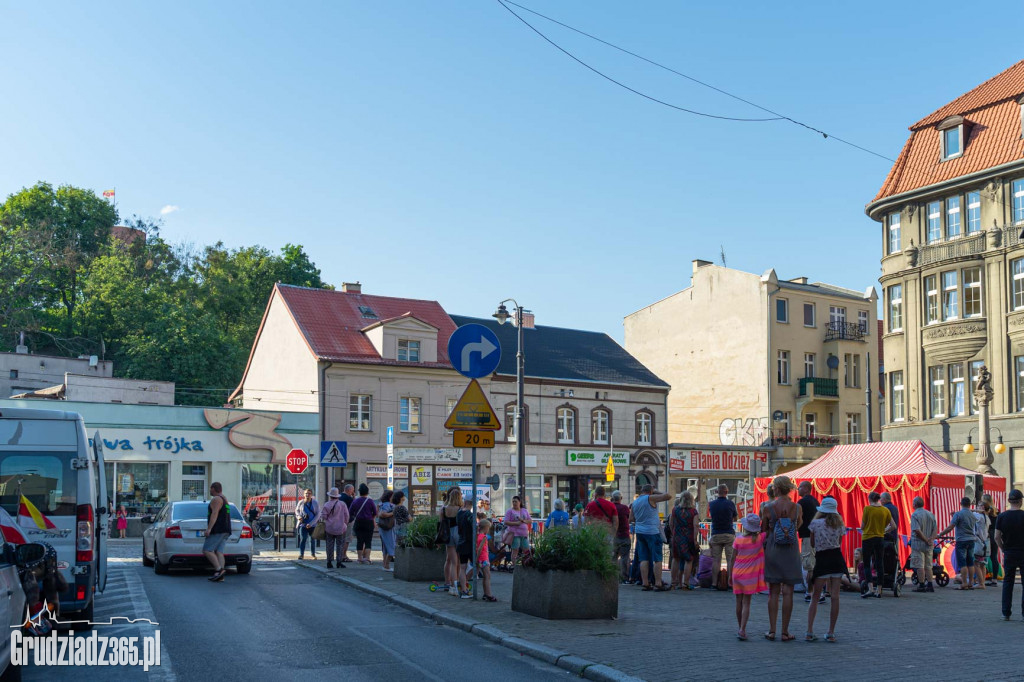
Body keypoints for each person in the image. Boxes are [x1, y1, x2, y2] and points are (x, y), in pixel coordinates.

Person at [761, 475, 802, 641]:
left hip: (773, 548)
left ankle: (772, 630)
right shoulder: (797, 507)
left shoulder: (768, 507)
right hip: (791, 550)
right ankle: (785, 632)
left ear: (776, 489)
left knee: (773, 591)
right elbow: (798, 525)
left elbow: (763, 529)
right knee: (789, 592)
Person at [806, 497, 846, 642]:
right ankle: (831, 632)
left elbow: (812, 543)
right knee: (835, 597)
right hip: (836, 558)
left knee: (815, 596)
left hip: (822, 559)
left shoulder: (815, 524)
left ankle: (809, 631)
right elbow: (839, 543)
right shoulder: (839, 524)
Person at [630, 484, 672, 591]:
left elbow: (631, 518)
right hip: (652, 532)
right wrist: (657, 491)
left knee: (643, 558)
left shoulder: (635, 502)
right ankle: (658, 583)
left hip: (640, 531)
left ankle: (645, 583)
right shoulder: (650, 498)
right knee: (657, 558)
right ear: (650, 491)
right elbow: (668, 496)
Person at [732, 513, 766, 641]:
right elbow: (766, 530)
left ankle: (739, 626)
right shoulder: (759, 539)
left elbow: (732, 558)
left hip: (737, 573)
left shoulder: (738, 539)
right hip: (750, 577)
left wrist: (730, 574)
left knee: (738, 602)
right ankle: (743, 629)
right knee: (747, 603)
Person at [938, 497, 980, 591]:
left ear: (961, 504)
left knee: (962, 563)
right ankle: (970, 583)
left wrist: (940, 534)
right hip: (971, 540)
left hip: (961, 541)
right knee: (970, 562)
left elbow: (951, 527)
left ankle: (964, 583)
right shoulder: (973, 515)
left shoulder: (958, 514)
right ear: (970, 505)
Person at [995, 489, 1024, 620]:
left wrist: (1003, 549)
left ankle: (1006, 612)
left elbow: (996, 537)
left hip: (1009, 552)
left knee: (1008, 582)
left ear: (1009, 501)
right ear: (1021, 501)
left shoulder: (1002, 516)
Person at [860, 491, 895, 598]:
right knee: (880, 563)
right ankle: (879, 590)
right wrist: (884, 531)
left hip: (867, 538)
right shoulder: (885, 510)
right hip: (880, 538)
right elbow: (893, 526)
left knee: (867, 564)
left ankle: (870, 588)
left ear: (870, 499)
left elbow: (862, 526)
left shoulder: (867, 509)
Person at [708, 484, 738, 591]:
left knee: (716, 560)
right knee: (730, 559)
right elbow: (735, 518)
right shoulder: (730, 503)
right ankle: (730, 583)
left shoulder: (711, 504)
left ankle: (714, 583)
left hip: (716, 534)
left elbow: (712, 517)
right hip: (728, 534)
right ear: (726, 492)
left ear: (717, 492)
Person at [796, 481, 822, 603]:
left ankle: (811, 592)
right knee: (815, 563)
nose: (797, 489)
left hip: (807, 536)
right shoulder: (815, 501)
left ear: (806, 488)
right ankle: (818, 591)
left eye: (799, 487)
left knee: (808, 564)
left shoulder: (802, 502)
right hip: (817, 536)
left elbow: (798, 519)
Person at [670, 491, 700, 590]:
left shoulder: (675, 510)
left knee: (675, 559)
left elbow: (671, 524)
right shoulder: (693, 511)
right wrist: (695, 539)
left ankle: (673, 583)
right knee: (689, 560)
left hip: (676, 537)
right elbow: (696, 525)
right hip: (689, 538)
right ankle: (686, 583)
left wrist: (674, 533)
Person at [204, 482, 232, 582]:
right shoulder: (224, 498)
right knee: (219, 552)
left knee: (207, 550)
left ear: (214, 489)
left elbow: (214, 514)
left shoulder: (216, 499)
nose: (209, 491)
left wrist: (209, 529)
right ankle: (220, 575)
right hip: (226, 529)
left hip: (218, 529)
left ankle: (219, 570)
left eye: (210, 489)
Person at [909, 496, 937, 593]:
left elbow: (917, 530)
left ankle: (921, 584)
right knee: (929, 565)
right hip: (929, 544)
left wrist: (925, 539)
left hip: (918, 543)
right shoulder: (930, 514)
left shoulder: (915, 515)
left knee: (920, 565)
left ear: (915, 504)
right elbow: (935, 529)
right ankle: (930, 584)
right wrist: (931, 539)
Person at [317, 487, 350, 569]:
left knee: (329, 545)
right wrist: (345, 523)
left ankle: (329, 561)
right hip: (340, 528)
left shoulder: (327, 504)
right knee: (340, 545)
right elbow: (347, 516)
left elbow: (324, 516)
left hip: (329, 528)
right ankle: (339, 561)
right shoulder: (342, 504)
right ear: (337, 496)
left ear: (330, 496)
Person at [349, 484, 377, 565]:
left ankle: (359, 558)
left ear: (359, 492)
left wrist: (356, 516)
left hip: (359, 522)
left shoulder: (355, 501)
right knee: (368, 541)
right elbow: (375, 512)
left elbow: (350, 512)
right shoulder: (370, 501)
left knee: (359, 541)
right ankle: (367, 558)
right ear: (367, 492)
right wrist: (372, 518)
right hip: (369, 522)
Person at [441, 488, 462, 592]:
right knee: (457, 561)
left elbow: (441, 524)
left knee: (449, 560)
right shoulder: (460, 509)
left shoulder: (444, 509)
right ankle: (456, 582)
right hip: (458, 533)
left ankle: (447, 582)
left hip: (447, 534)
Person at [503, 495, 532, 568]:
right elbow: (506, 522)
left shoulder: (524, 510)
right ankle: (515, 565)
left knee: (526, 549)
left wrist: (524, 521)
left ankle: (526, 563)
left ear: (520, 502)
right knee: (515, 549)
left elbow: (530, 520)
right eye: (513, 501)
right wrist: (516, 523)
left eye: (516, 501)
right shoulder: (510, 511)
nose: (514, 503)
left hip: (524, 533)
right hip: (514, 534)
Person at [610, 491, 632, 582]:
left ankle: (612, 576)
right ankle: (623, 578)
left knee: (613, 557)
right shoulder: (624, 508)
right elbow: (629, 518)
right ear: (621, 498)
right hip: (624, 535)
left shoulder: (610, 507)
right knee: (624, 557)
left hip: (614, 535)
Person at [456, 496, 475, 598]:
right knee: (477, 564)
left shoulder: (459, 513)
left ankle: (463, 588)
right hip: (469, 543)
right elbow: (474, 528)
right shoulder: (470, 515)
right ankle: (464, 584)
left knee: (462, 567)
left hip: (461, 542)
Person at [477, 518, 497, 602]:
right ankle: (488, 594)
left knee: (485, 577)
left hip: (480, 559)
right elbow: (480, 548)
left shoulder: (478, 536)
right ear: (485, 528)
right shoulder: (484, 537)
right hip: (484, 558)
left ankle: (485, 593)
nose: (488, 530)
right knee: (487, 576)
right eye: (488, 528)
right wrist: (477, 558)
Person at [296, 488, 319, 560]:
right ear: (304, 494)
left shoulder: (315, 503)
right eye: (306, 493)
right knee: (303, 539)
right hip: (303, 524)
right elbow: (297, 510)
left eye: (309, 493)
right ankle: (301, 554)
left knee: (312, 540)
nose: (307, 495)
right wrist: (299, 517)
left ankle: (313, 554)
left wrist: (311, 523)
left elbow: (318, 514)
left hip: (312, 525)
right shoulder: (301, 502)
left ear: (311, 495)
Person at [982, 494, 1000, 587]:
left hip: (987, 535)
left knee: (982, 557)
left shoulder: (984, 512)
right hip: (995, 534)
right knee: (994, 557)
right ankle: (994, 579)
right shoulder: (997, 511)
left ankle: (981, 579)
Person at [377, 491, 396, 572]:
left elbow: (379, 513)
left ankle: (385, 565)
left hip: (383, 527)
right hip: (388, 527)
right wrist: (393, 513)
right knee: (391, 545)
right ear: (390, 497)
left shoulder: (381, 504)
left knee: (385, 546)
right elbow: (382, 514)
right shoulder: (388, 504)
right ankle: (386, 565)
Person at [972, 502, 990, 589]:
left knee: (976, 563)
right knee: (983, 564)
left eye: (979, 506)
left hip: (979, 542)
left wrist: (973, 510)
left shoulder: (979, 517)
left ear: (982, 507)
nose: (977, 507)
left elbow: (970, 514)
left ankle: (980, 583)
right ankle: (982, 582)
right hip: (985, 542)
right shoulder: (986, 517)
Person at [340, 484, 355, 562]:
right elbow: (354, 507)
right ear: (349, 490)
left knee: (340, 538)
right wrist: (353, 497)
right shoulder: (349, 498)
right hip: (348, 521)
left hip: (339, 521)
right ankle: (343, 555)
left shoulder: (339, 497)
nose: (353, 492)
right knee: (347, 538)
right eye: (352, 490)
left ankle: (339, 555)